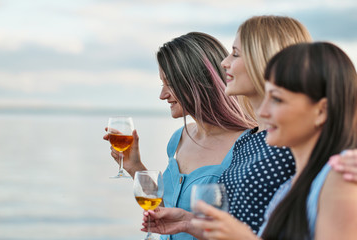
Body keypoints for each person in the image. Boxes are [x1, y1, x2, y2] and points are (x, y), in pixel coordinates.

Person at [141, 15, 311, 237]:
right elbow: (238, 223)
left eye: (236, 54)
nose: (224, 63)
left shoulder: (291, 143)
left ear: (264, 61)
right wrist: (189, 222)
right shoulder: (250, 140)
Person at [190, 42, 357, 240]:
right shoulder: (293, 184)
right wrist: (187, 222)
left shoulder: (340, 178)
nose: (262, 111)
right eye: (266, 95)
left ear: (321, 111)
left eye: (277, 99)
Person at [104, 32, 257, 239]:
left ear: (197, 82)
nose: (162, 95)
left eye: (170, 84)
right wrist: (134, 166)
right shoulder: (179, 137)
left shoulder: (247, 145)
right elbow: (167, 212)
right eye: (162, 84)